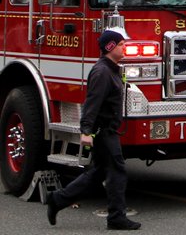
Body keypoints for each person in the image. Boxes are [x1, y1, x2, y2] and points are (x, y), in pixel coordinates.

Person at [47, 29, 141, 230]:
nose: (125, 47)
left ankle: (58, 199)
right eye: (121, 44)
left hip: (108, 130)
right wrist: (86, 131)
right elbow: (92, 103)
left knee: (98, 173)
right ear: (110, 47)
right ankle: (116, 217)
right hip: (104, 131)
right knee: (117, 172)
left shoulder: (111, 70)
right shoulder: (102, 72)